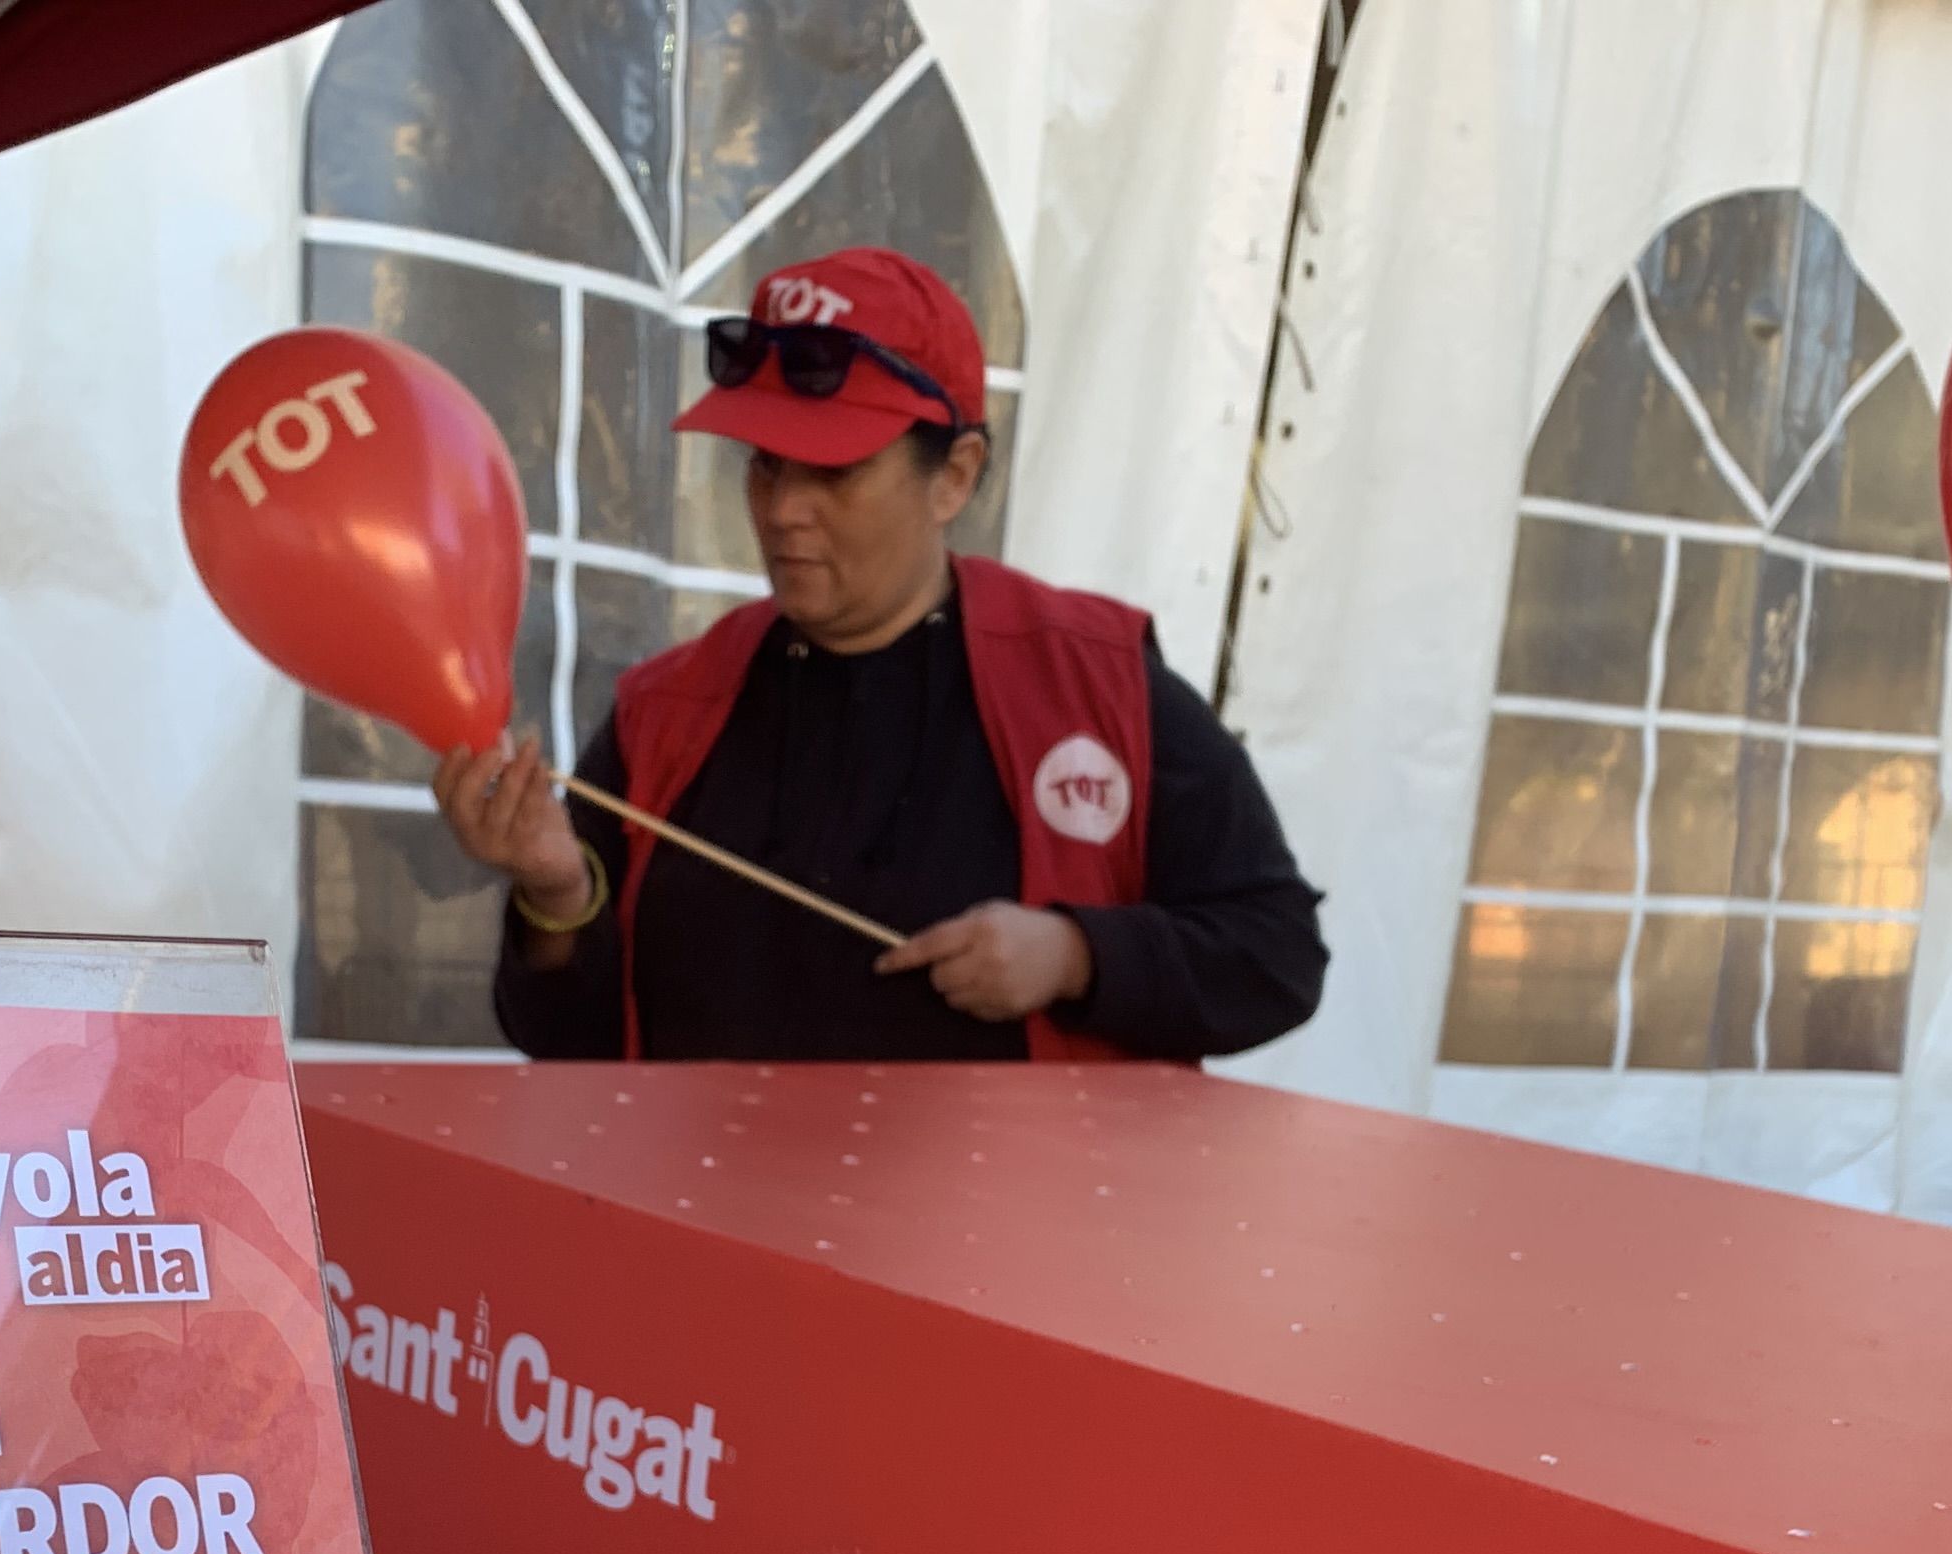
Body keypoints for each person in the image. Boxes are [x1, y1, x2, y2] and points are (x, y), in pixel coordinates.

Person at [433, 246, 1325, 1063]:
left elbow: (1278, 957)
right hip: (709, 1219)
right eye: (765, 464)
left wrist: (1078, 954)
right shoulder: (666, 712)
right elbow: (567, 1050)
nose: (782, 510)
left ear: (956, 474)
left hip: (1007, 1233)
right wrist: (554, 895)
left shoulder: (1097, 684)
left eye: (833, 472)